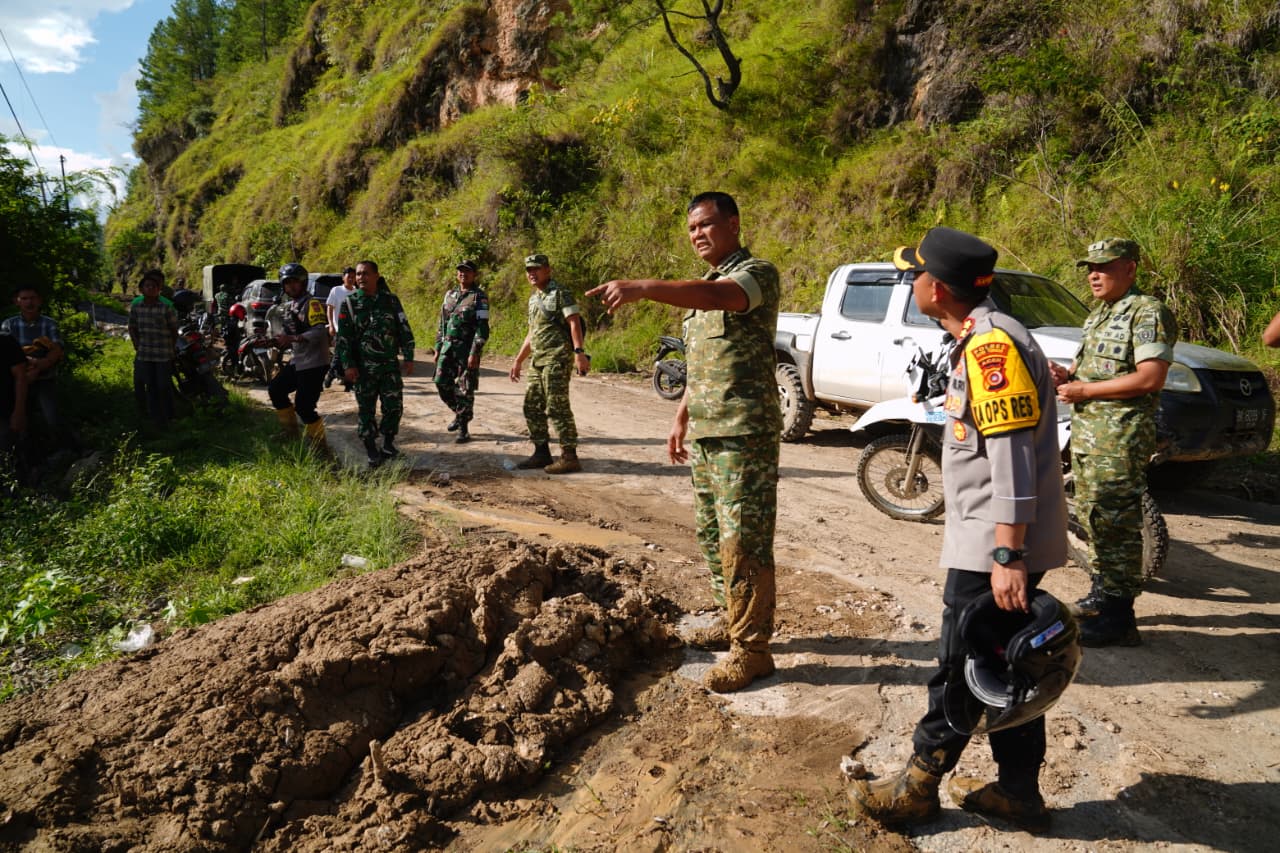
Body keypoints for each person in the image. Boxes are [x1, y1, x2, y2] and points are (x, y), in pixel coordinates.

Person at [847, 226, 1069, 833]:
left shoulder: (991, 347)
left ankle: (917, 786)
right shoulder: (978, 336)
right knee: (1008, 665)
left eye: (915, 273)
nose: (910, 282)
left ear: (938, 288)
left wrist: (1007, 554)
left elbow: (1012, 459)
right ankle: (1018, 792)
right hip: (994, 538)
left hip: (993, 544)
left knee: (960, 663)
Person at [588, 191, 781, 693]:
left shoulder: (755, 275)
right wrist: (680, 417)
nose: (698, 234)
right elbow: (703, 365)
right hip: (708, 431)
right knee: (713, 536)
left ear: (733, 224)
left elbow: (722, 298)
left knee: (744, 542)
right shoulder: (703, 289)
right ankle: (731, 618)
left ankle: (753, 651)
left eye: (707, 224)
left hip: (744, 432)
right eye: (692, 228)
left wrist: (644, 288)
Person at [1050, 237, 1176, 647]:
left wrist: (1084, 391)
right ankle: (1102, 596)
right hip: (1089, 437)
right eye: (1090, 268)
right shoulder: (1099, 315)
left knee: (1118, 523)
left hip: (1119, 438)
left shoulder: (1147, 311)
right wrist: (1066, 377)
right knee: (1094, 518)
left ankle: (1120, 619)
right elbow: (1089, 371)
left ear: (1130, 268)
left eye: (1104, 267)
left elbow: (1150, 377)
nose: (1094, 275)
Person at [509, 253, 590, 474]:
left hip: (557, 358)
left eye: (536, 268)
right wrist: (518, 360)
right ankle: (541, 453)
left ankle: (569, 457)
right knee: (531, 406)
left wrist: (579, 353)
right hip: (537, 360)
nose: (532, 273)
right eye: (528, 270)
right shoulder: (534, 299)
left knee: (557, 407)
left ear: (547, 270)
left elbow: (574, 323)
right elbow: (532, 332)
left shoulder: (560, 293)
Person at [336, 260, 415, 467]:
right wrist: (348, 365)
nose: (360, 278)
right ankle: (371, 449)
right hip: (364, 370)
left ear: (376, 276)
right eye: (358, 274)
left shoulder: (390, 301)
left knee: (393, 407)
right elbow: (343, 338)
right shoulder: (350, 303)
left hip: (389, 366)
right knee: (366, 410)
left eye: (365, 273)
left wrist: (408, 356)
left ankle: (388, 445)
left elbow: (403, 327)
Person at [268, 263, 332, 453]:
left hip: (314, 363)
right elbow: (289, 335)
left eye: (295, 282)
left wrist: (293, 338)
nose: (291, 286)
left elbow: (320, 332)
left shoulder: (312, 304)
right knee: (276, 389)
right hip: (299, 361)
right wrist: (275, 341)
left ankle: (321, 449)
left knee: (304, 407)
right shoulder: (291, 306)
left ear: (303, 283)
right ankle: (290, 433)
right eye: (287, 283)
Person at [432, 260, 490, 444]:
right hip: (448, 348)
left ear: (474, 274)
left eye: (467, 271)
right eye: (460, 271)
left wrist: (475, 352)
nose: (463, 274)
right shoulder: (450, 295)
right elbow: (442, 323)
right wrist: (438, 347)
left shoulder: (479, 297)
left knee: (465, 389)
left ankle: (463, 429)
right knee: (441, 383)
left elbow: (482, 328)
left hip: (466, 350)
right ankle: (460, 413)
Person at [1, 285, 64, 441]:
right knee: (18, 417)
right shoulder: (9, 324)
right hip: (17, 379)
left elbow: (57, 349)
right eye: (24, 299)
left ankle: (67, 447)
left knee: (52, 416)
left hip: (44, 375)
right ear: (17, 301)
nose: (29, 302)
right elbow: (6, 353)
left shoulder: (49, 323)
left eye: (32, 298)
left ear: (39, 300)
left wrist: (40, 365)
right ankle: (21, 450)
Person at [127, 271, 178, 429]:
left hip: (163, 353)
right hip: (145, 353)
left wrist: (172, 347)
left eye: (154, 286)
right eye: (147, 286)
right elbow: (132, 326)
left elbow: (174, 329)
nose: (151, 288)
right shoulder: (137, 306)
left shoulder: (165, 307)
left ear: (159, 289)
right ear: (141, 289)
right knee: (149, 385)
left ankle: (169, 416)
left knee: (163, 385)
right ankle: (154, 418)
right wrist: (136, 343)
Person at [1, 333, 29, 487]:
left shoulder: (5, 341)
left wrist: (19, 411)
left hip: (6, 414)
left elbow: (21, 377)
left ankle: (21, 493)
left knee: (11, 460)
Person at [324, 267, 357, 390]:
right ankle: (331, 373)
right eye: (349, 277)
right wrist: (331, 325)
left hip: (353, 330)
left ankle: (348, 382)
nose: (351, 279)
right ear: (343, 278)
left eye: (353, 277)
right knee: (339, 354)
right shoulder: (336, 290)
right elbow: (330, 308)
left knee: (350, 356)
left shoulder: (356, 292)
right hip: (339, 328)